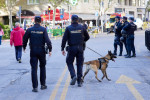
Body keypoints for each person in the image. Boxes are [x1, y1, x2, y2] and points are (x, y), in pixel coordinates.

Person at [23, 16, 52, 92]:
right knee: (42, 67)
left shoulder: (30, 29)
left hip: (33, 50)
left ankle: (35, 87)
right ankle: (43, 85)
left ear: (34, 21)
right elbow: (48, 41)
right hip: (41, 50)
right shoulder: (43, 29)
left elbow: (25, 38)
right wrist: (50, 49)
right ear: (41, 22)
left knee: (34, 68)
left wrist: (24, 47)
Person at [61, 15, 90, 87]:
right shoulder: (82, 27)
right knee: (79, 64)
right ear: (77, 20)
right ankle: (79, 81)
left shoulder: (68, 28)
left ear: (71, 20)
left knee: (69, 62)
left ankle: (73, 75)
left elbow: (64, 39)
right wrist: (83, 41)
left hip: (71, 48)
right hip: (80, 48)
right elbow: (88, 37)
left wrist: (62, 48)